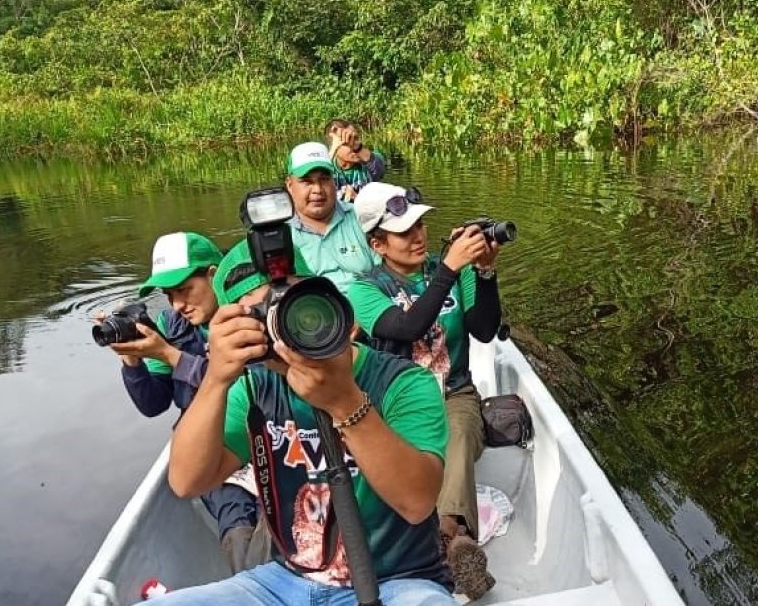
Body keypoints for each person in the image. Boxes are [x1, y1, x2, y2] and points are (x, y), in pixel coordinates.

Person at [148, 239, 456, 605]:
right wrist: (216, 379)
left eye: (295, 310)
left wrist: (345, 403)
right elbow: (185, 481)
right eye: (259, 318)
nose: (284, 332)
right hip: (283, 579)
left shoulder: (402, 381)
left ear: (328, 306)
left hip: (398, 580)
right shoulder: (255, 387)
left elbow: (417, 502)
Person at [346, 182, 502, 601]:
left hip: (453, 391)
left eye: (420, 224)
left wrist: (484, 272)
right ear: (378, 243)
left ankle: (452, 535)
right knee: (413, 453)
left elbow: (485, 330)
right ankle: (449, 544)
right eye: (404, 230)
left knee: (460, 435)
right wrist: (450, 269)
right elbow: (405, 328)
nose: (418, 236)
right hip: (397, 400)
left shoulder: (451, 267)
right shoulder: (363, 289)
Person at [98, 231, 264, 573]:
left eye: (185, 291)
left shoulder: (251, 315)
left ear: (214, 275)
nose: (178, 305)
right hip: (214, 446)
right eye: (169, 295)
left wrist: (170, 355)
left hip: (263, 437)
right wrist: (131, 359)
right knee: (234, 515)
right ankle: (248, 580)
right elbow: (152, 403)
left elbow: (246, 381)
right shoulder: (170, 325)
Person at [284, 141, 379, 292]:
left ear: (334, 181)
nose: (318, 189)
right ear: (290, 185)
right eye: (307, 182)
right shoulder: (281, 234)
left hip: (371, 305)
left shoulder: (360, 215)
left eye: (324, 179)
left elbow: (388, 269)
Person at [325, 118, 386, 201]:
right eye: (346, 142)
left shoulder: (368, 161)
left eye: (356, 138)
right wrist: (333, 149)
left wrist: (358, 148)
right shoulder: (328, 165)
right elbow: (316, 179)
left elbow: (380, 169)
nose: (352, 145)